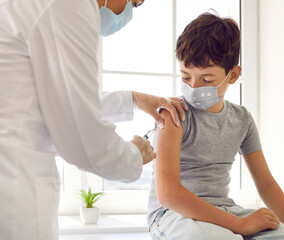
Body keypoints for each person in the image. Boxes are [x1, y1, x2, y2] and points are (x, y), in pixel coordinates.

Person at [0, 0, 186, 239]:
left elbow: (57, 98)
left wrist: (134, 99)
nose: (128, 12)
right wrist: (133, 155)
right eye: (135, 3)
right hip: (15, 190)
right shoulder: (69, 6)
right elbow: (82, 138)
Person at [147, 13, 284, 240]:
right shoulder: (174, 114)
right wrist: (240, 225)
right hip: (171, 215)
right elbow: (168, 194)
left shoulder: (242, 119)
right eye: (185, 77)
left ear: (233, 75)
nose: (193, 87)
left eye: (207, 80)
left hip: (225, 211)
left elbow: (266, 184)